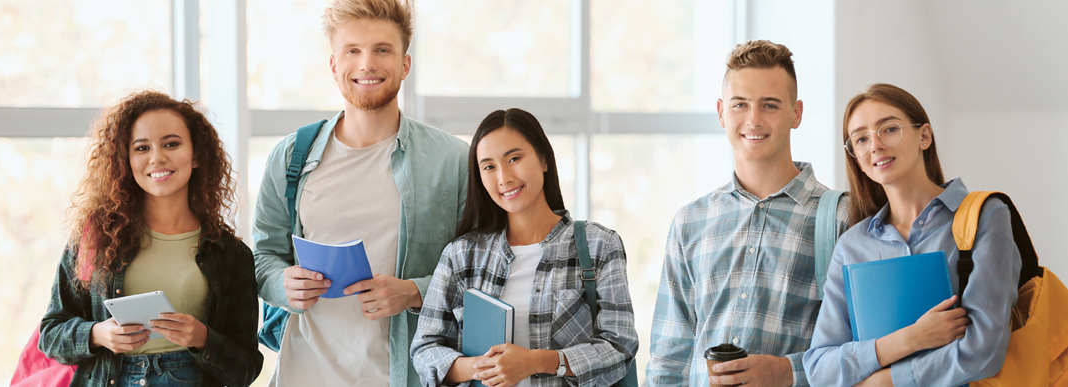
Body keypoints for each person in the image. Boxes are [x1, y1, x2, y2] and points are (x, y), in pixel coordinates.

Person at [250, 0, 468, 385]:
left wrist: (414, 292)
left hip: (405, 375)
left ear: (405, 64)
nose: (367, 64)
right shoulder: (291, 157)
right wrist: (283, 285)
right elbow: (265, 256)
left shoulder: (453, 161)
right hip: (303, 374)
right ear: (334, 66)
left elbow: (485, 274)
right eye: (352, 50)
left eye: (382, 50)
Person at [646, 40, 851, 387]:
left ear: (796, 113)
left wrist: (788, 372)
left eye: (770, 105)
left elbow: (862, 349)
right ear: (722, 112)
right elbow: (669, 357)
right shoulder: (690, 222)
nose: (753, 119)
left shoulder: (842, 217)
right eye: (740, 104)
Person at [39, 90, 262, 387]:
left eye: (171, 144)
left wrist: (202, 339)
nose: (157, 158)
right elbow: (51, 335)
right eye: (142, 148)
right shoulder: (96, 239)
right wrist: (98, 335)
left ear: (196, 155)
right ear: (125, 160)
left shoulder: (230, 254)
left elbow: (245, 369)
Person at [802, 83, 1018, 386]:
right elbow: (819, 369)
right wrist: (910, 339)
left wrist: (883, 382)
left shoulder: (986, 215)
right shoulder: (852, 245)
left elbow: (985, 349)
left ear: (924, 136)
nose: (875, 145)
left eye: (888, 129)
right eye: (861, 139)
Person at [410, 108, 638, 387]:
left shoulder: (598, 245)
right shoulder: (461, 255)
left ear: (543, 158)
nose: (504, 177)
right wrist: (482, 367)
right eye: (489, 166)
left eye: (514, 158)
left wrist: (535, 362)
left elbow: (620, 346)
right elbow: (424, 351)